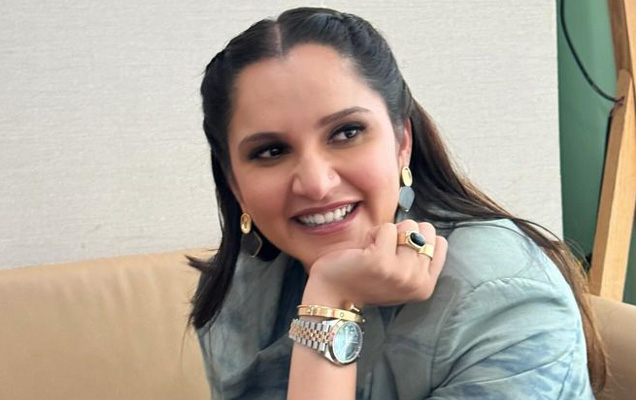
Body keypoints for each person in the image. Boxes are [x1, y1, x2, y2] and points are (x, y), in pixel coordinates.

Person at [190, 7, 604, 400]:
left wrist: (329, 306)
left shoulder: (502, 297)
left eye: (346, 132)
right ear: (235, 183)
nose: (316, 184)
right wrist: (331, 294)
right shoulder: (239, 288)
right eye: (271, 151)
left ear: (402, 143)